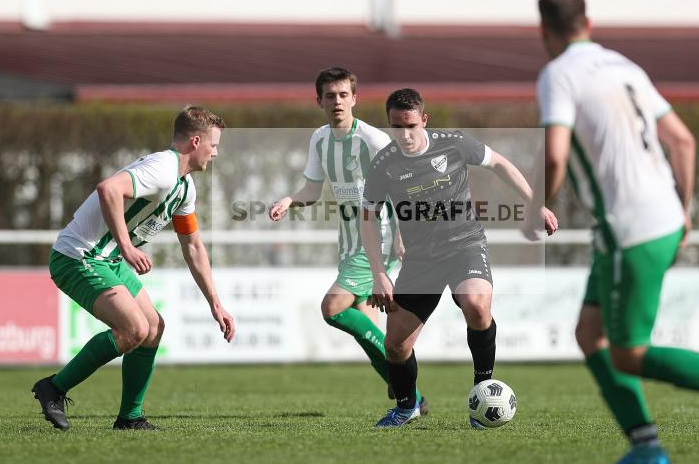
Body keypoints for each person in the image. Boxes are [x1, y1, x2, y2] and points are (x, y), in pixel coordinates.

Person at [534, 0, 699, 464]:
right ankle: (646, 447)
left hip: (627, 227)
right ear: (588, 21)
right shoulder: (624, 66)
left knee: (628, 353)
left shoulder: (557, 75)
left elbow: (554, 154)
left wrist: (538, 204)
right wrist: (685, 210)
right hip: (664, 217)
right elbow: (683, 140)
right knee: (591, 334)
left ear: (544, 32)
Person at [362, 88, 557, 428]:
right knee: (395, 346)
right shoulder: (384, 165)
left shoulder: (452, 143)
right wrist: (379, 272)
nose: (404, 135)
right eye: (396, 127)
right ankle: (407, 407)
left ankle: (483, 386)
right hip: (421, 259)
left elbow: (498, 162)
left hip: (464, 244)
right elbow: (368, 218)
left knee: (477, 305)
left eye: (410, 125)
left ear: (424, 120)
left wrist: (533, 201)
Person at [32, 105, 235, 431]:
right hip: (79, 256)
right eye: (214, 146)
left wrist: (216, 303)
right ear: (196, 142)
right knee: (134, 330)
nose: (215, 154)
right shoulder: (163, 168)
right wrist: (127, 247)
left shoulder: (184, 187)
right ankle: (53, 388)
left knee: (153, 329)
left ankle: (130, 418)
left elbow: (194, 247)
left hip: (106, 259)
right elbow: (108, 189)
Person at [268, 67, 427, 413]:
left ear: (354, 98)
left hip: (378, 240)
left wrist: (401, 234)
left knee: (332, 308)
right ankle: (404, 388)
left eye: (343, 95)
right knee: (364, 323)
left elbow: (403, 188)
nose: (337, 101)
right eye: (330, 96)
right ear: (319, 101)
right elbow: (312, 189)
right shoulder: (320, 139)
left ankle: (404, 387)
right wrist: (290, 200)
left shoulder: (372, 140)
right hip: (349, 242)